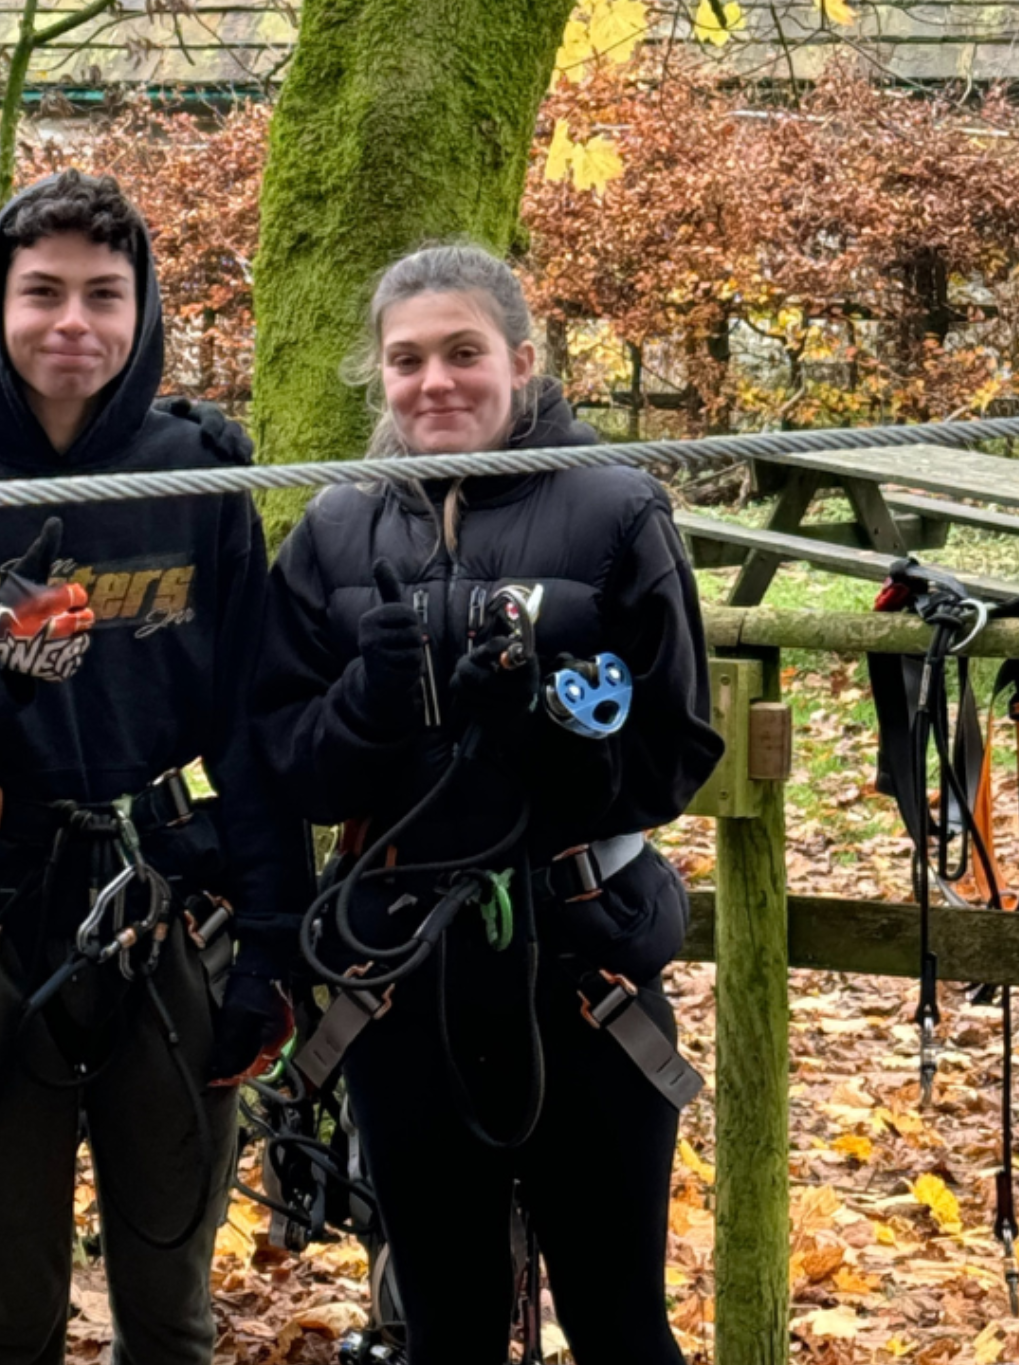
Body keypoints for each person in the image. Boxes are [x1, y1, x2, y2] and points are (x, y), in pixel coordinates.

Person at [0, 169, 304, 1365]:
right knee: (10, 1316)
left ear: (141, 310)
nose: (72, 322)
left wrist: (269, 945)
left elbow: (250, 728)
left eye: (104, 294)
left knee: (171, 1306)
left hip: (163, 906)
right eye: (41, 292)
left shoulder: (198, 475)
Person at [252, 242, 724, 1363]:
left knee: (619, 1325)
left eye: (463, 353)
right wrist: (367, 705)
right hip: (401, 981)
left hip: (580, 968)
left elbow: (673, 751)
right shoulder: (335, 531)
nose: (435, 383)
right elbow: (287, 760)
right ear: (380, 373)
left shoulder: (616, 510)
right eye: (407, 360)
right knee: (445, 1327)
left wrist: (541, 731)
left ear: (520, 358)